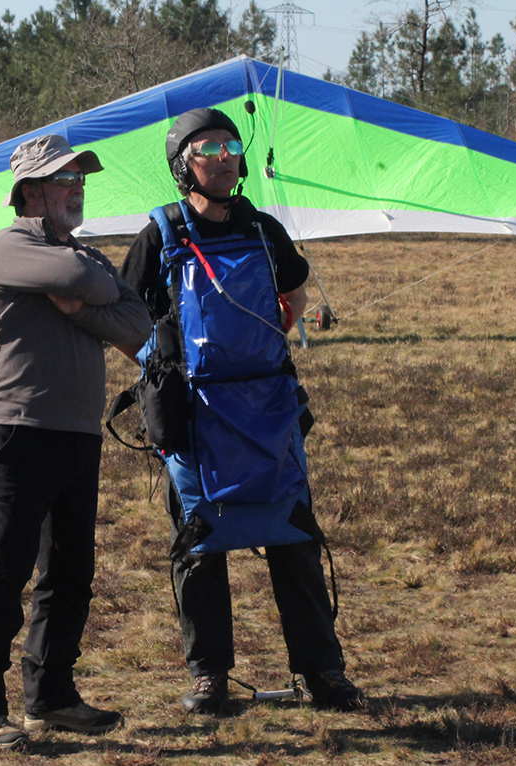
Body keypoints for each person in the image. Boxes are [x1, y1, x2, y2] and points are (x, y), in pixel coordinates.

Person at [119, 108, 365, 715]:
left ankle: (324, 672)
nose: (225, 157)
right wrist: (158, 368)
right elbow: (126, 315)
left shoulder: (263, 229)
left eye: (231, 145)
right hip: (195, 419)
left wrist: (266, 337)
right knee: (199, 547)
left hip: (268, 411)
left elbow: (294, 293)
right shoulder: (159, 235)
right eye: (209, 149)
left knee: (294, 540)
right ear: (183, 166)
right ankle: (210, 677)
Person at [0, 134, 152, 750]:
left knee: (69, 574)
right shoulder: (8, 247)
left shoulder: (78, 252)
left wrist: (79, 310)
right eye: (66, 179)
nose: (78, 189)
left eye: (80, 179)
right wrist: (92, 289)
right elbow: (79, 278)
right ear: (31, 192)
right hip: (17, 430)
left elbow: (139, 321)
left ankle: (51, 697)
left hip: (77, 432)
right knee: (4, 572)